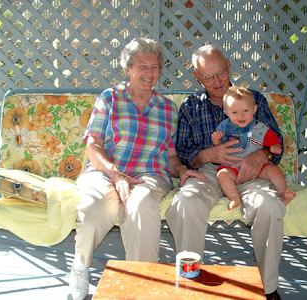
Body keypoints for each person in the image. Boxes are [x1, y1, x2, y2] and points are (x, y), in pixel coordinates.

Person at [69, 37, 206, 300]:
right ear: (128, 68)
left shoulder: (168, 108)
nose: (149, 73)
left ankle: (142, 285)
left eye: (154, 67)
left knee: (141, 204)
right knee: (96, 206)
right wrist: (116, 175)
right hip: (106, 172)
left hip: (150, 177)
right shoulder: (109, 98)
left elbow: (171, 155)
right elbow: (93, 145)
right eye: (142, 66)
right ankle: (80, 266)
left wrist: (182, 171)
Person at [165, 44, 286, 300]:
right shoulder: (191, 107)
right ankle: (190, 282)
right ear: (197, 77)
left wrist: (261, 154)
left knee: (270, 206)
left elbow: (277, 144)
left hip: (249, 170)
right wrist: (210, 154)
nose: (217, 81)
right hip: (209, 171)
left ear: (229, 65)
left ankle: (268, 289)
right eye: (208, 76)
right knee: (185, 203)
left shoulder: (254, 99)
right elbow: (184, 153)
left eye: (220, 72)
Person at [212, 86, 296, 210]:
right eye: (235, 112)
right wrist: (216, 139)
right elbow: (219, 148)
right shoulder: (225, 127)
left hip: (259, 168)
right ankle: (234, 197)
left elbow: (273, 138)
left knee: (274, 170)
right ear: (226, 113)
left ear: (254, 109)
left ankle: (283, 193)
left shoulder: (260, 128)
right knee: (222, 175)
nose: (241, 116)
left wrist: (275, 146)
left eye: (246, 111)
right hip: (233, 166)